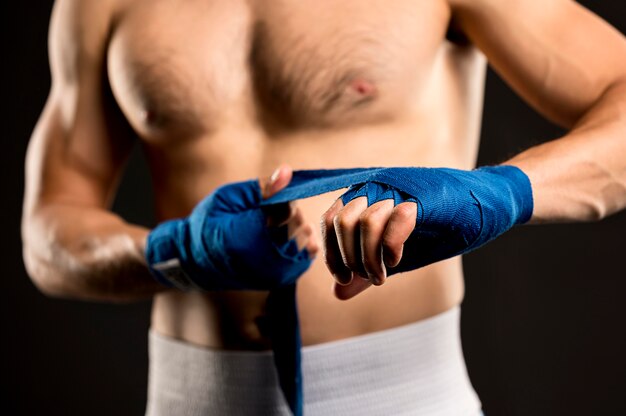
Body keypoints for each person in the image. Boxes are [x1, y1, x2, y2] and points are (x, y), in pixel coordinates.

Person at [21, 0, 626, 415]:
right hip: (189, 398)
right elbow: (49, 230)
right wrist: (176, 252)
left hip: (400, 396)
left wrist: (494, 195)